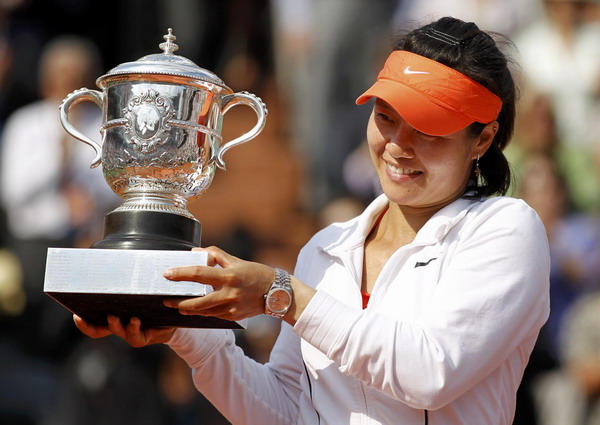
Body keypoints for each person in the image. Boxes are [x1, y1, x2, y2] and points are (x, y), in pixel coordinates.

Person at [75, 17, 550, 425]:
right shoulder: (327, 246)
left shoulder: (506, 229)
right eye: (386, 116)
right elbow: (286, 412)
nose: (398, 145)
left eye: (428, 129)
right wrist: (183, 325)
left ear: (483, 139)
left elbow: (428, 373)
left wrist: (281, 294)